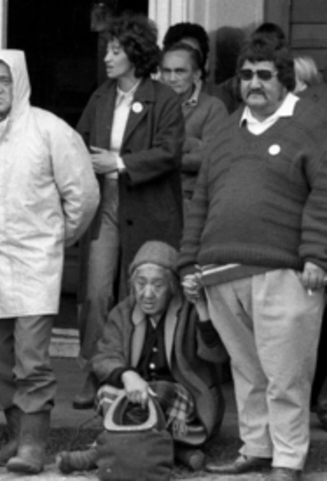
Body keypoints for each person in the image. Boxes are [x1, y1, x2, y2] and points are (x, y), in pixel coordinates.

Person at [179, 37, 327, 481]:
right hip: (221, 272)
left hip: (285, 271)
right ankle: (257, 449)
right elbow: (202, 198)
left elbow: (324, 194)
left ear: (284, 81)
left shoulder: (312, 124)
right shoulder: (224, 128)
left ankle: (287, 460)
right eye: (246, 75)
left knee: (287, 375)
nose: (254, 83)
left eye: (265, 75)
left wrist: (317, 254)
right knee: (247, 372)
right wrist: (189, 263)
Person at [0, 49, 99, 474]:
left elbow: (83, 195)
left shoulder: (49, 130)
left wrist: (54, 239)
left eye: (5, 81)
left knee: (31, 360)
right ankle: (16, 435)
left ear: (19, 82)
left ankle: (34, 446)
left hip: (33, 264)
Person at [74, 14, 184, 410]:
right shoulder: (101, 96)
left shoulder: (164, 98)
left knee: (138, 291)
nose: (107, 56)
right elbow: (79, 144)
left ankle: (142, 374)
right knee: (98, 292)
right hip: (107, 206)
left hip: (149, 209)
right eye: (108, 49)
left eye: (116, 50)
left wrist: (120, 163)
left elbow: (170, 152)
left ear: (134, 54)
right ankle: (95, 370)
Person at [57, 241, 227, 474]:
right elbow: (105, 356)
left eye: (157, 284)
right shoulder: (123, 312)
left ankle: (98, 453)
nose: (147, 294)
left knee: (162, 392)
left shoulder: (188, 311)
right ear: (132, 285)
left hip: (183, 403)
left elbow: (215, 354)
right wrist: (128, 376)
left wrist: (202, 309)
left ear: (172, 287)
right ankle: (176, 452)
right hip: (135, 395)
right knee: (107, 394)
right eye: (141, 283)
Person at [159, 42, 227, 212]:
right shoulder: (150, 106)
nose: (171, 78)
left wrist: (158, 157)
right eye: (166, 71)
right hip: (151, 197)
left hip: (189, 199)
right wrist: (192, 144)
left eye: (180, 71)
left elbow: (209, 158)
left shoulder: (213, 107)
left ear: (196, 75)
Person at [162, 22, 235, 112]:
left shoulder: (219, 99)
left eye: (192, 52)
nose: (172, 78)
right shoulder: (151, 96)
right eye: (179, 50)